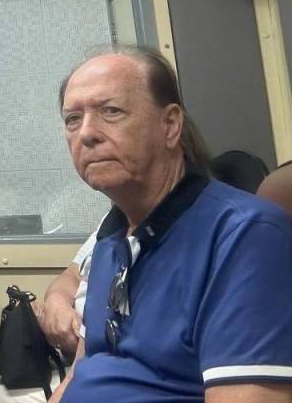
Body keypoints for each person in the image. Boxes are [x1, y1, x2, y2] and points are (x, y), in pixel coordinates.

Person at [51, 46, 292, 403]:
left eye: (111, 111)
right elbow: (79, 373)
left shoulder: (246, 235)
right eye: (73, 118)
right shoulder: (111, 239)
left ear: (170, 125)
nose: (86, 132)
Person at [0, 229, 95, 403]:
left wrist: (77, 342)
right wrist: (56, 302)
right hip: (66, 350)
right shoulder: (110, 224)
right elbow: (72, 274)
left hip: (92, 362)